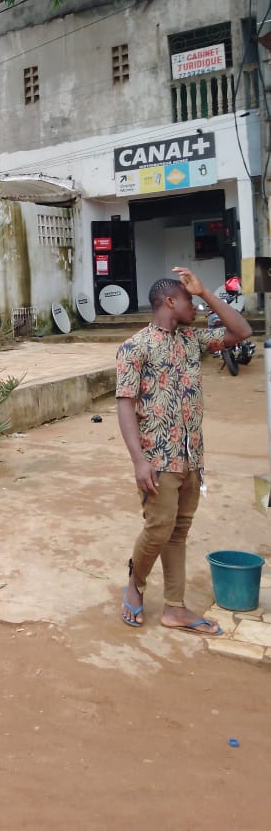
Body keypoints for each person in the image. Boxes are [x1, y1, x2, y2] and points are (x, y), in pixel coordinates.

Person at [116, 266, 252, 634]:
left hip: (192, 456)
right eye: (190, 301)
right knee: (159, 528)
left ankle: (174, 608)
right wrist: (138, 461)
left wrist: (206, 293)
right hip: (157, 457)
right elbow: (125, 405)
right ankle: (135, 584)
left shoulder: (193, 340)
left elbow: (242, 331)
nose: (195, 308)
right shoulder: (135, 347)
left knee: (179, 530)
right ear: (170, 302)